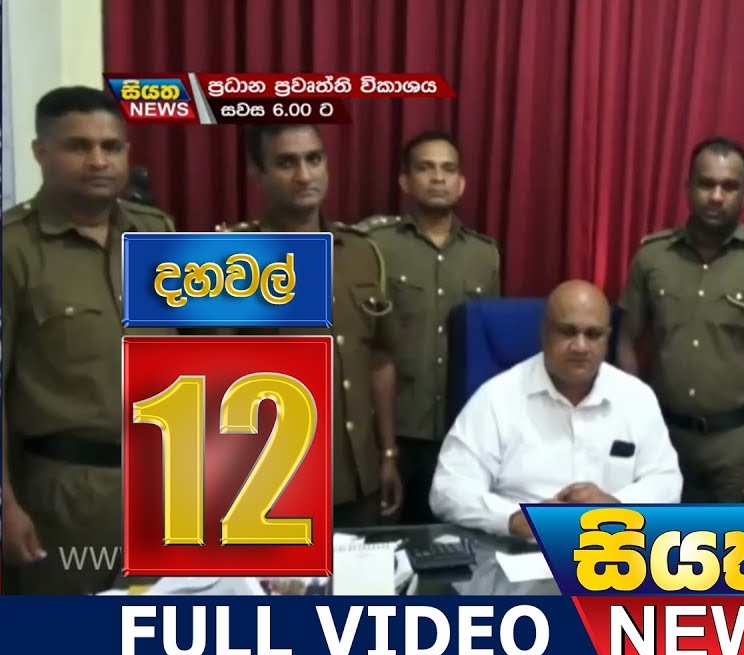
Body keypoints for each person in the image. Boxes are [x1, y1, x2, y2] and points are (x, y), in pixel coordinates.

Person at [1, 85, 178, 655]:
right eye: (78, 146)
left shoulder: (158, 234)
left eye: (112, 146)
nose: (99, 161)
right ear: (40, 152)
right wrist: (5, 503)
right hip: (64, 496)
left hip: (168, 486)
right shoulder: (12, 248)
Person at [219, 124, 403, 527]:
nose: (304, 175)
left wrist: (388, 453)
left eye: (313, 159)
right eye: (286, 163)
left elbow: (379, 359)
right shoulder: (230, 258)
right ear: (257, 172)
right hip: (273, 483)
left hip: (360, 477)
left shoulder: (363, 252)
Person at [617, 136, 744, 503]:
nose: (716, 196)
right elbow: (626, 340)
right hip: (664, 440)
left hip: (738, 447)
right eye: (706, 184)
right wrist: (636, 421)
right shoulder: (653, 256)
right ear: (688, 187)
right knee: (659, 538)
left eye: (729, 186)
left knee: (731, 541)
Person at [430, 280, 682, 538]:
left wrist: (617, 505)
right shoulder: (497, 397)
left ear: (607, 337)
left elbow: (666, 479)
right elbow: (448, 488)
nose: (580, 346)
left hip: (611, 549)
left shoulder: (636, 397)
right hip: (519, 550)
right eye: (567, 332)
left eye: (593, 334)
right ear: (544, 332)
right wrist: (514, 519)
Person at [359, 131, 500, 524]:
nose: (438, 177)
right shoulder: (375, 246)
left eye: (448, 169)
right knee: (382, 540)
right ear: (405, 181)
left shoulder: (485, 255)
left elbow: (488, 344)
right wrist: (385, 446)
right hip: (390, 431)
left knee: (451, 543)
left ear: (461, 183)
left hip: (462, 432)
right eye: (426, 168)